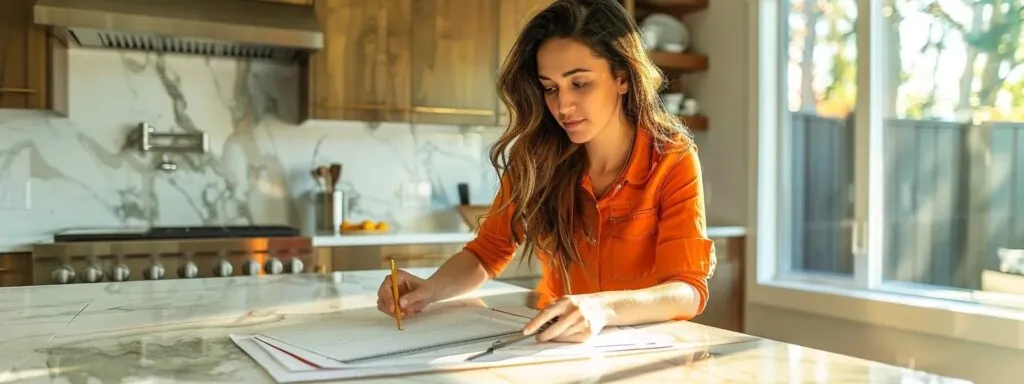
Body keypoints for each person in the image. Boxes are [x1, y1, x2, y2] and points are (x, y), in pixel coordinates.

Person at [376, 0, 716, 343]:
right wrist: (429, 290)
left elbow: (687, 290)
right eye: (550, 88)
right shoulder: (537, 158)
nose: (563, 106)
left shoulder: (672, 159)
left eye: (580, 84)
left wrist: (602, 308)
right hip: (556, 346)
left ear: (622, 78)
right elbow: (487, 252)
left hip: (646, 353)